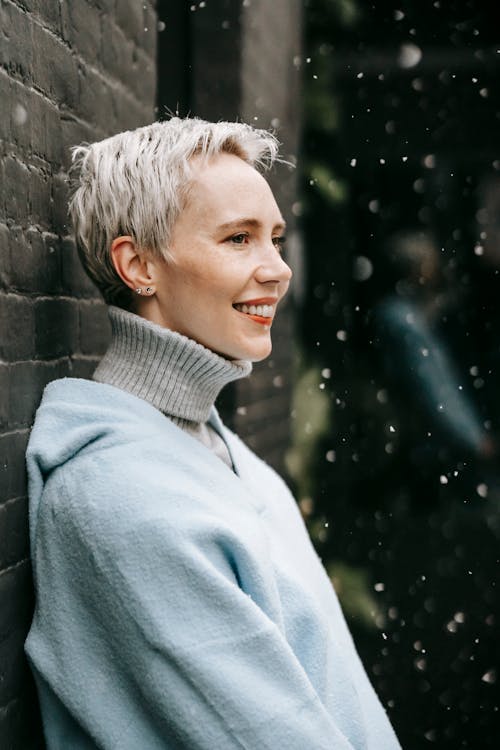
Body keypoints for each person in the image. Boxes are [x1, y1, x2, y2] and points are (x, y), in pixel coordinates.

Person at [25, 117, 400, 749]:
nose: (277, 269)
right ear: (139, 264)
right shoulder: (119, 501)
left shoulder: (220, 451)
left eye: (275, 239)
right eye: (238, 239)